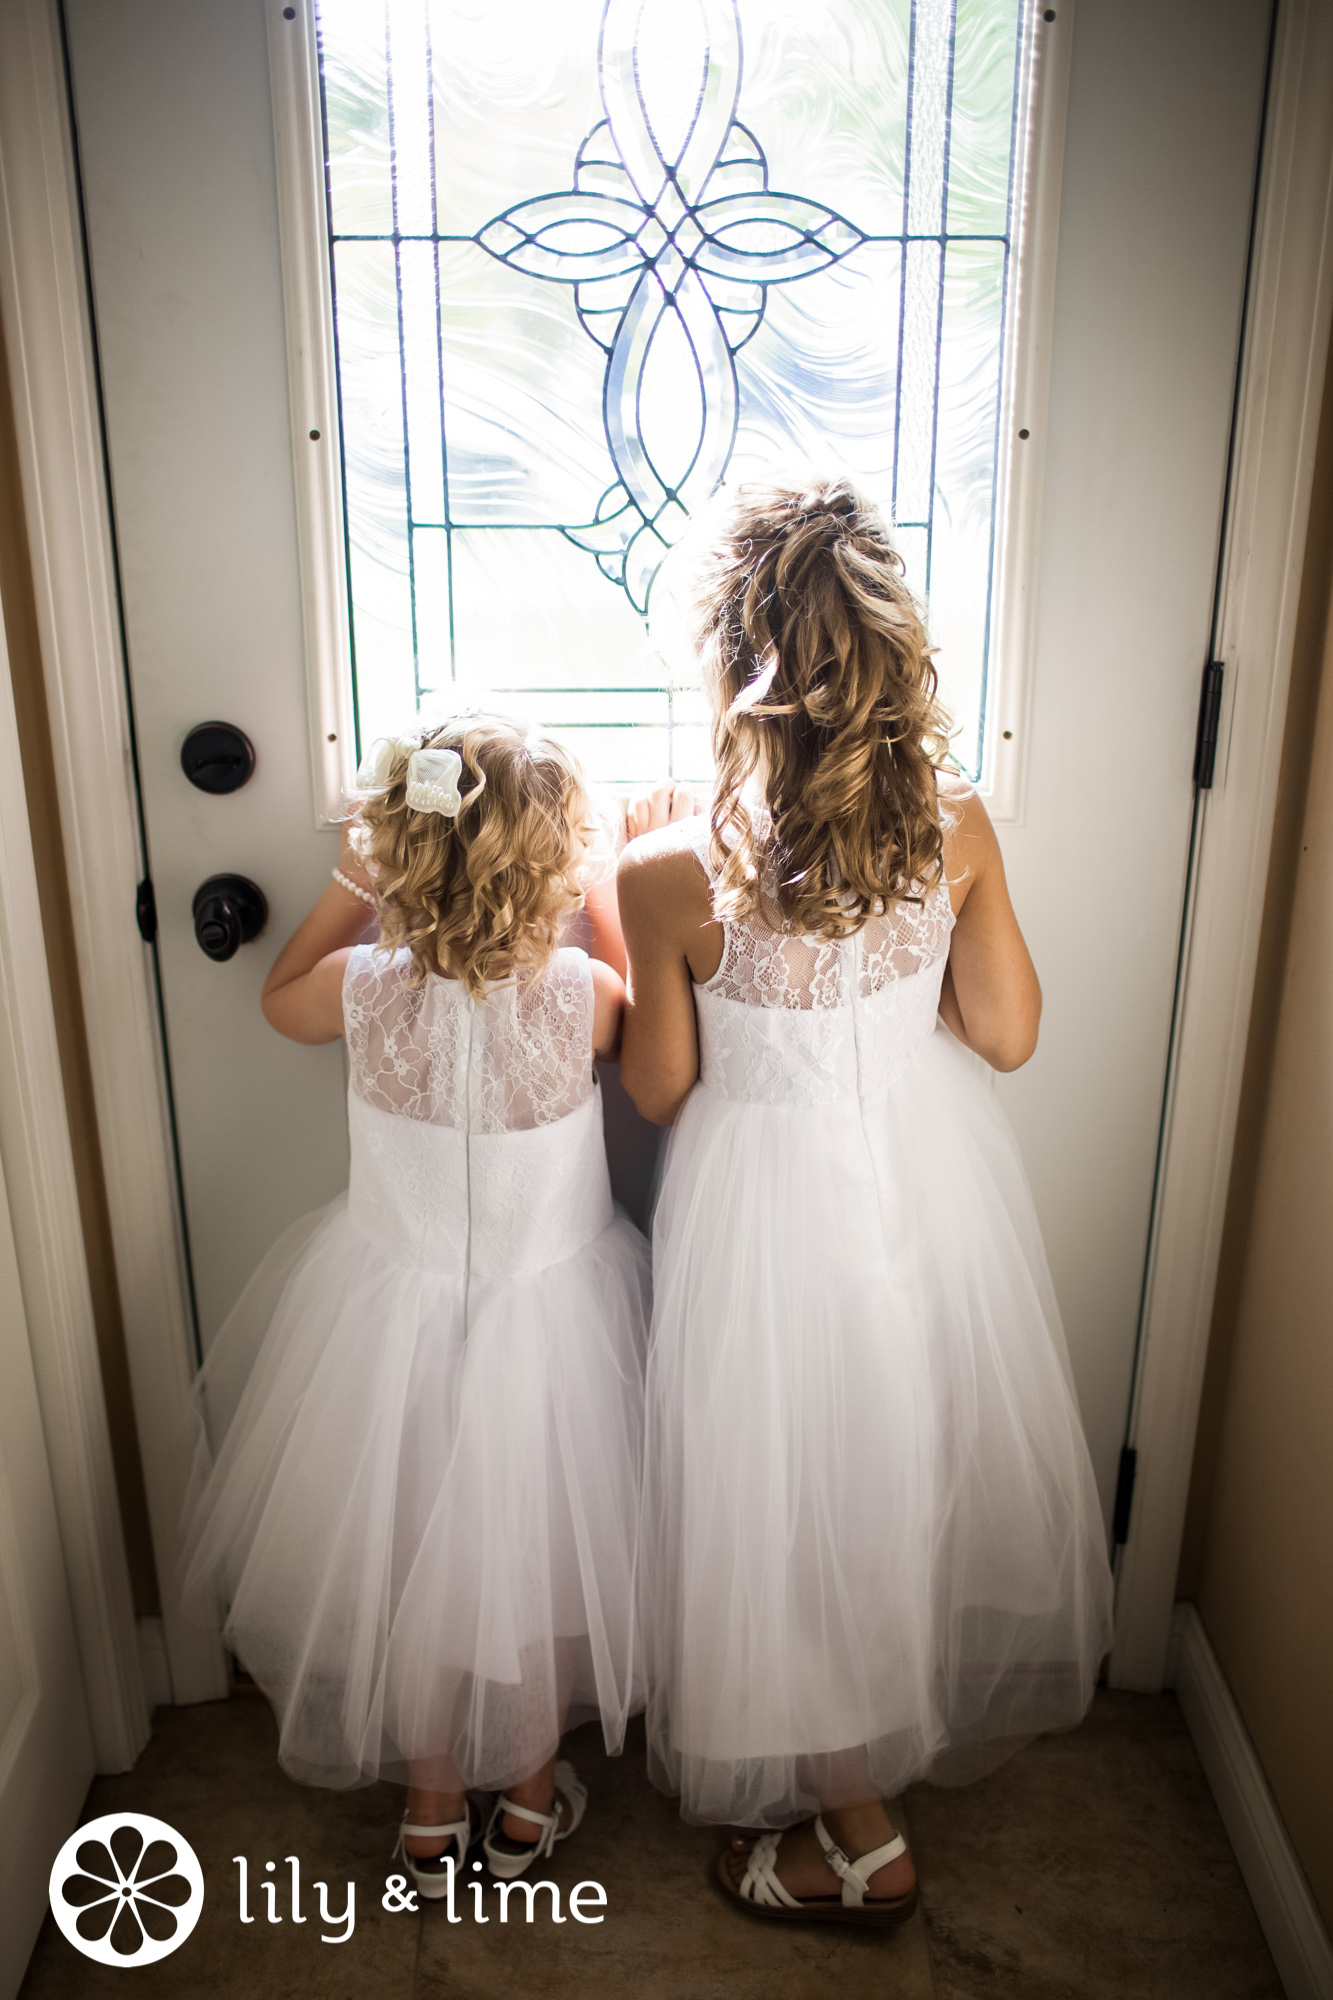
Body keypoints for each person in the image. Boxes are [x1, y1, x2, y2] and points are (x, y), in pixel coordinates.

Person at [617, 478, 1114, 1928]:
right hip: (913, 1187)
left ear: (730, 669)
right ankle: (861, 1761)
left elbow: (654, 1090)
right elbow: (1009, 1034)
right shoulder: (951, 832)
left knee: (773, 1499)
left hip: (759, 1212)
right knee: (884, 1471)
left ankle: (859, 1833)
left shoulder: (665, 873)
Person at [181, 712, 651, 1895]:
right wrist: (606, 894)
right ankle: (531, 1798)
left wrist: (353, 882)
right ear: (552, 859)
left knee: (410, 1564)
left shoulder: (356, 984)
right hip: (554, 1335)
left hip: (385, 1327)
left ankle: (432, 1813)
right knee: (535, 1561)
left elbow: (275, 992)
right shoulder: (581, 993)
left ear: (395, 846)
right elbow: (647, 1030)